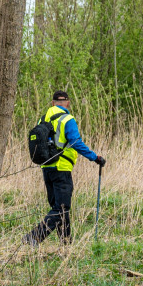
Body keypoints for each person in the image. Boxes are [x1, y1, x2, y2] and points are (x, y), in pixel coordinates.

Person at [26, 90, 106, 245]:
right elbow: (76, 142)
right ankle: (33, 238)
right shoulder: (67, 119)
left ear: (52, 103)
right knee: (61, 209)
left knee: (60, 209)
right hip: (62, 168)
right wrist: (95, 157)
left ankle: (66, 244)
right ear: (68, 103)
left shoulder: (41, 120)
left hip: (46, 168)